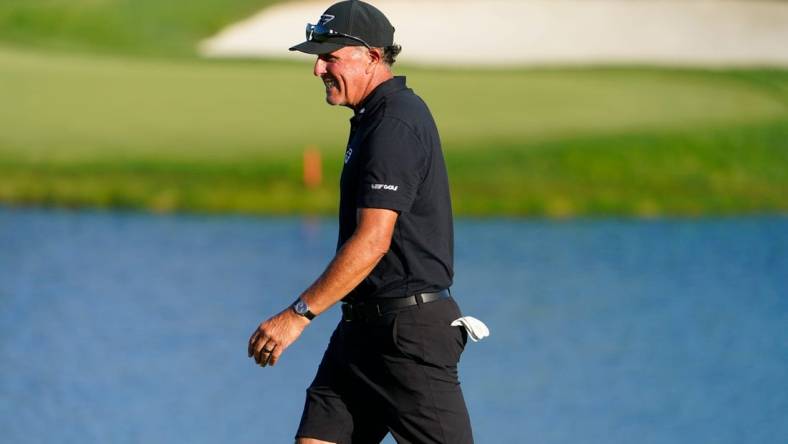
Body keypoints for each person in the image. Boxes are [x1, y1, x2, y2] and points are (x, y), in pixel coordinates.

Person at [247, 1, 474, 443]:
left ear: (372, 56)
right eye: (317, 56)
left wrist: (298, 315)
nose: (318, 69)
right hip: (361, 329)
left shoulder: (396, 121)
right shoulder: (371, 117)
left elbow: (372, 241)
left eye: (330, 56)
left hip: (408, 334)